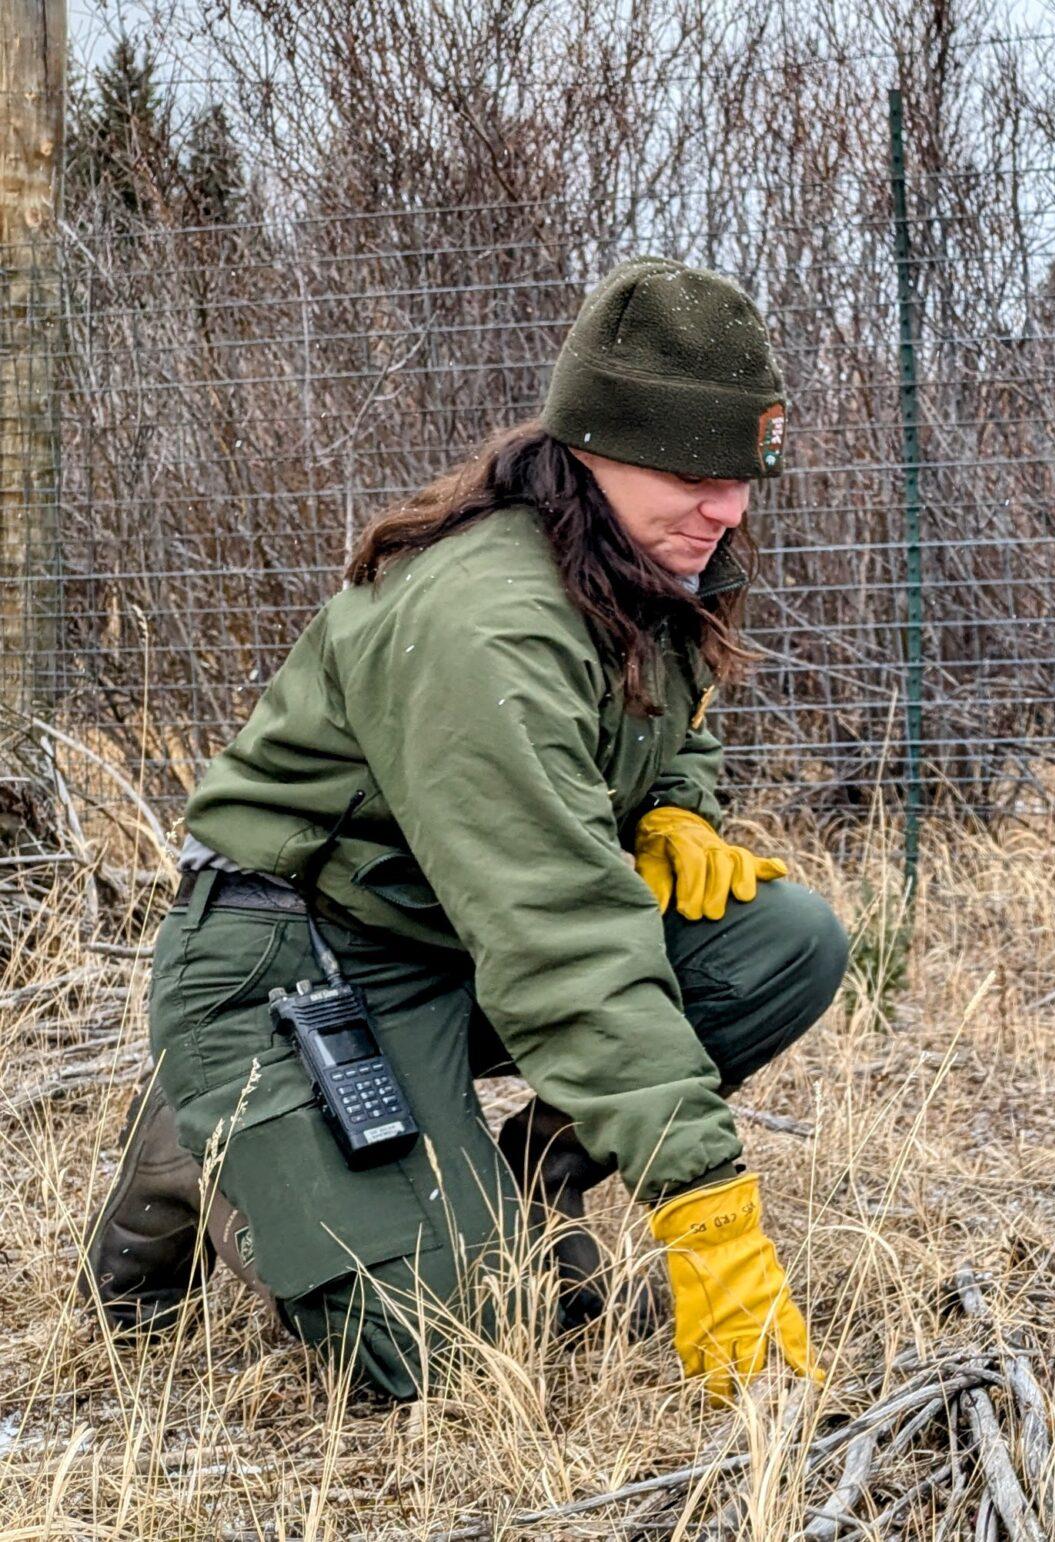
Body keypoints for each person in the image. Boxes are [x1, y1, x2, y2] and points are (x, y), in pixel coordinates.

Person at [80, 258, 848, 1400]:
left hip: (450, 939)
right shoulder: (487, 625)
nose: (729, 508)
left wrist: (680, 808)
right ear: (594, 443)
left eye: (743, 473)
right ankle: (216, 1137)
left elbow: (668, 712)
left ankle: (523, 1194)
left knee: (780, 937)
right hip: (292, 962)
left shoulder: (642, 553)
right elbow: (564, 940)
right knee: (452, 1353)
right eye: (694, 471)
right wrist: (705, 1212)